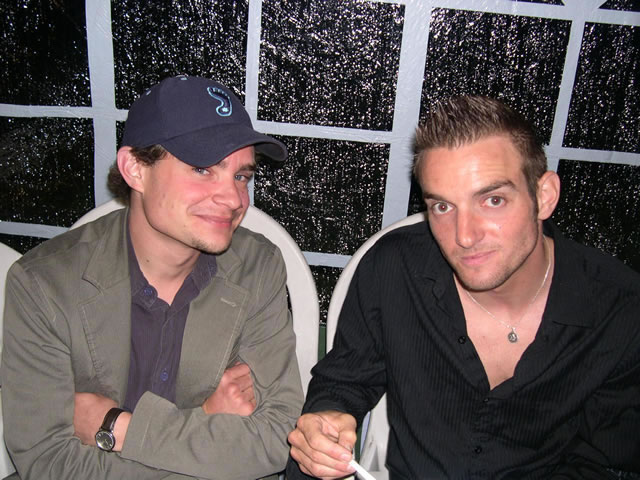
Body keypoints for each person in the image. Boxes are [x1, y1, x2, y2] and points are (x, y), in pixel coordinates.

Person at [286, 95, 640, 479]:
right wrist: (327, 420)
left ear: (544, 196)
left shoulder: (620, 310)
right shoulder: (393, 268)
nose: (464, 236)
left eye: (493, 200)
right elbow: (345, 380)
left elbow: (613, 461)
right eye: (443, 206)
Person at [2, 75, 303, 480]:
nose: (234, 199)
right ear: (135, 169)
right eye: (202, 168)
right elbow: (48, 463)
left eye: (241, 176)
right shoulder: (43, 285)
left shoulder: (257, 267)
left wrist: (119, 427)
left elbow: (277, 436)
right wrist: (205, 423)